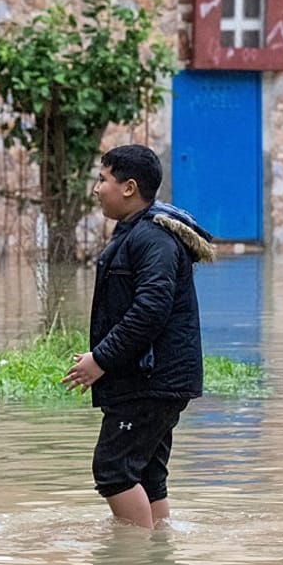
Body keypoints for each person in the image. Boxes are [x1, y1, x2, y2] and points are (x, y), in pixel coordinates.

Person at [62, 144, 214, 528]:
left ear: (128, 187)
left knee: (113, 470)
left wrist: (101, 359)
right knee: (147, 474)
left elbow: (150, 311)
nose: (97, 189)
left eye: (102, 180)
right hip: (153, 379)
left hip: (152, 382)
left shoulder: (152, 239)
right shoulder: (138, 233)